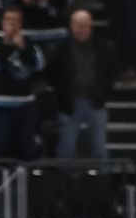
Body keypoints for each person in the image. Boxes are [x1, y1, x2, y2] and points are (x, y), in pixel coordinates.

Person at [48, 10, 119, 159]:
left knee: (99, 148)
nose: (82, 30)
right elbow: (52, 76)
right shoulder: (60, 49)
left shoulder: (103, 48)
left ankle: (101, 180)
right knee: (66, 148)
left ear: (91, 26)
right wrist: (62, 98)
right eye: (79, 26)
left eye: (86, 26)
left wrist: (103, 95)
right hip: (70, 104)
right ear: (72, 26)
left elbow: (111, 74)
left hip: (95, 103)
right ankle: (64, 181)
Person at [0, 9, 44, 159]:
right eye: (9, 20)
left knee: (27, 147)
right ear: (2, 22)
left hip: (24, 103)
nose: (13, 24)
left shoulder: (29, 42)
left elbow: (40, 65)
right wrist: (6, 44)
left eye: (16, 20)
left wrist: (23, 48)